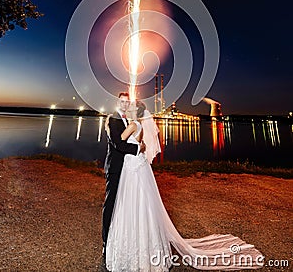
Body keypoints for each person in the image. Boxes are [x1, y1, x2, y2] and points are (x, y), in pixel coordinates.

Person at [105, 101, 264, 271]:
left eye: (131, 107)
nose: (128, 108)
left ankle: (133, 241)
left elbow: (120, 139)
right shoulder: (139, 124)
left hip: (133, 166)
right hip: (137, 164)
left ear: (136, 110)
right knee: (142, 201)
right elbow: (135, 143)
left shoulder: (133, 124)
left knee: (132, 199)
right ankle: (145, 242)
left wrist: (108, 127)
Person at [102, 92, 146, 258]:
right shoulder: (113, 119)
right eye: (122, 101)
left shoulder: (128, 120)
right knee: (111, 203)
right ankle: (106, 243)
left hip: (128, 168)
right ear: (117, 102)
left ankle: (122, 239)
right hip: (115, 167)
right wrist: (137, 148)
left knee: (124, 204)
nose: (124, 104)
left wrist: (139, 145)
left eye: (127, 102)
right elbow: (117, 143)